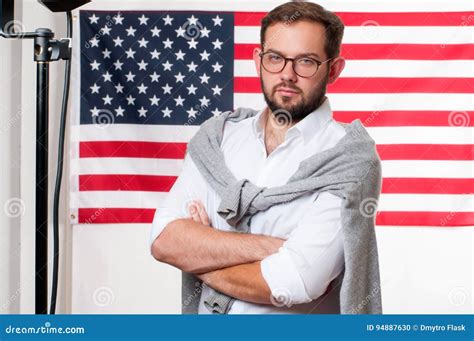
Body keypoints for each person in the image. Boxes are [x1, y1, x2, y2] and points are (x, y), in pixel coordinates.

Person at [149, 1, 382, 314]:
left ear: (334, 69)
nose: (287, 75)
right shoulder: (217, 139)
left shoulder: (349, 159)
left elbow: (294, 282)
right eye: (275, 58)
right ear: (258, 61)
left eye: (306, 62)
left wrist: (203, 256)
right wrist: (271, 247)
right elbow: (165, 240)